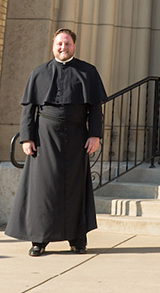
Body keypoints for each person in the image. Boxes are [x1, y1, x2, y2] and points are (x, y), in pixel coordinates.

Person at [6, 28, 107, 256]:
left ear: (74, 46)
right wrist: (27, 138)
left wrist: (95, 135)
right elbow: (29, 109)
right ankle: (39, 240)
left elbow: (95, 108)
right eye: (60, 43)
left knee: (75, 189)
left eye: (68, 43)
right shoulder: (39, 73)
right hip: (45, 139)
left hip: (77, 138)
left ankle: (77, 239)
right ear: (53, 46)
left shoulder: (88, 72)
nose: (63, 47)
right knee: (43, 189)